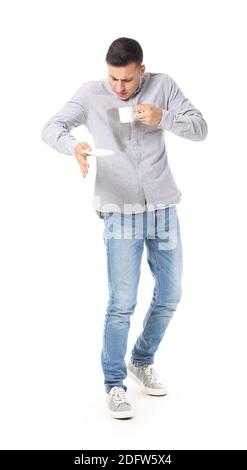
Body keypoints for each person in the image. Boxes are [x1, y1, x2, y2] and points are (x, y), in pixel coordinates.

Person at [41, 37, 208, 420]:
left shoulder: (162, 86)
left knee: (171, 295)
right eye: (114, 78)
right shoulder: (91, 94)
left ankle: (141, 359)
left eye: (128, 80)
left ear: (141, 72)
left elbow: (200, 128)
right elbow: (51, 127)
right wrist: (73, 147)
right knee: (122, 304)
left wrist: (163, 117)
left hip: (163, 208)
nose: (120, 87)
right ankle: (114, 384)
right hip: (120, 212)